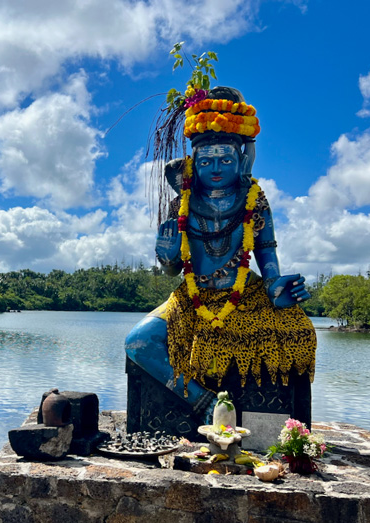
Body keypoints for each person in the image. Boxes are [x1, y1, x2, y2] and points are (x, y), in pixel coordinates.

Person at [125, 86, 316, 424]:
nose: (216, 168)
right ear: (191, 165)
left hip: (245, 294)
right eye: (206, 161)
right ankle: (206, 404)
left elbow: (268, 260)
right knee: (138, 342)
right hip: (193, 295)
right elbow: (172, 270)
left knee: (299, 329)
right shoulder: (180, 204)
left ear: (241, 161)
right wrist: (167, 256)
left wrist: (278, 289)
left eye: (225, 159)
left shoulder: (254, 200)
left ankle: (277, 427)